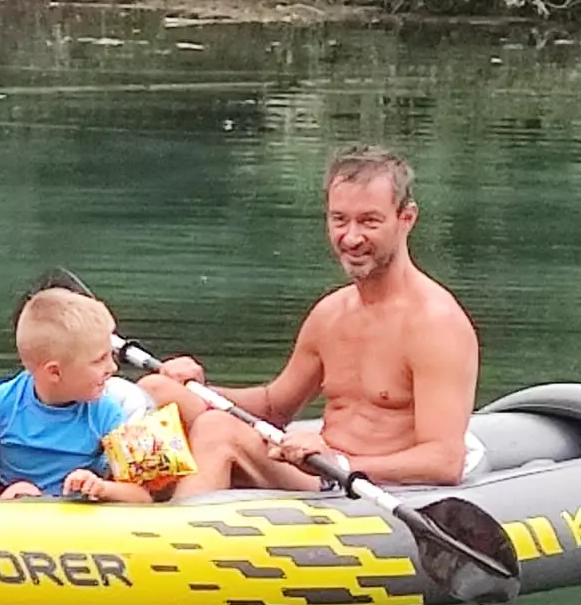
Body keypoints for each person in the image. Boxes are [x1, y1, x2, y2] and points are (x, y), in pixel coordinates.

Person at [141, 145, 479, 497]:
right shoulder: (331, 313)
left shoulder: (436, 324)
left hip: (354, 486)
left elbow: (444, 461)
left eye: (369, 221)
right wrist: (195, 386)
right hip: (314, 469)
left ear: (406, 219)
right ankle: (129, 498)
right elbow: (274, 407)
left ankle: (175, 528)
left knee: (218, 429)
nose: (351, 237)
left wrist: (341, 463)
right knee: (158, 390)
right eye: (340, 220)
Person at [0, 288, 153, 502]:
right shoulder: (1, 401)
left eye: (111, 355)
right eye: (99, 360)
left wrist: (102, 488)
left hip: (75, 507)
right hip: (11, 501)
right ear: (54, 372)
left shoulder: (106, 414)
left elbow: (143, 497)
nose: (112, 367)